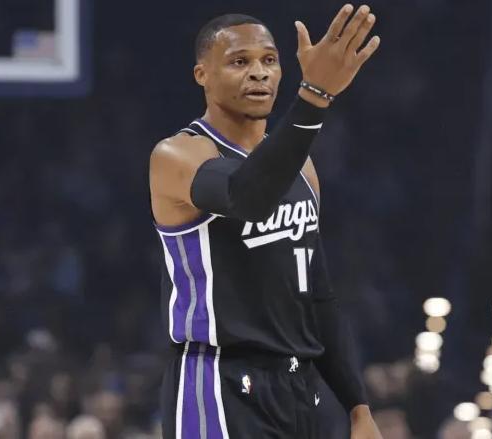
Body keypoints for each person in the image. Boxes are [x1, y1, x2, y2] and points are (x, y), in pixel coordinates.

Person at [149, 4, 381, 438]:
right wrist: (315, 96)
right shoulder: (178, 154)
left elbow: (318, 296)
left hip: (298, 387)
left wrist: (357, 406)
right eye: (239, 62)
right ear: (202, 75)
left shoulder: (302, 167)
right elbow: (246, 196)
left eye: (269, 60)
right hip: (217, 381)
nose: (258, 72)